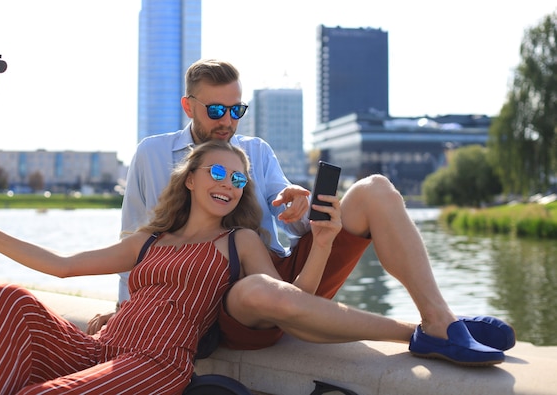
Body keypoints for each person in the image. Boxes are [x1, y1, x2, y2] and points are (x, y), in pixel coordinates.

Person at [90, 59, 514, 366]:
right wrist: (128, 313)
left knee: (375, 190)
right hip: (231, 301)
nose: (227, 122)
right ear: (189, 107)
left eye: (236, 110)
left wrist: (299, 204)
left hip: (290, 276)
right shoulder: (153, 153)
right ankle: (431, 332)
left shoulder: (256, 151)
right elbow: (136, 242)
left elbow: (290, 226)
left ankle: (438, 318)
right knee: (259, 287)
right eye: (215, 110)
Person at [0, 141, 348, 394]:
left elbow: (293, 303)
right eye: (217, 172)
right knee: (7, 299)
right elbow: (62, 265)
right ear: (190, 180)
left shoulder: (239, 240)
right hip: (101, 349)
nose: (228, 183)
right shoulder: (151, 240)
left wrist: (323, 244)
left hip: (155, 363)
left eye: (238, 178)